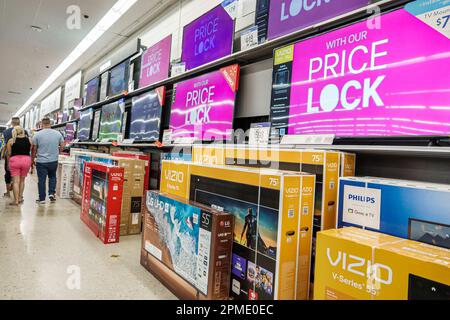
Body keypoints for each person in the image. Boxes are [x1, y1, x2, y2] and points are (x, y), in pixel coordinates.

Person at [32, 118, 64, 204]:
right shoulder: (58, 134)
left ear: (42, 124)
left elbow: (34, 149)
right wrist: (58, 153)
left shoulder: (37, 135)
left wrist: (32, 159)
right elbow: (62, 145)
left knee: (41, 180)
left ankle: (42, 198)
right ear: (50, 124)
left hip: (41, 161)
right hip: (53, 160)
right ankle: (51, 193)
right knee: (52, 177)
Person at [6, 126, 32, 206]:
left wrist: (8, 164)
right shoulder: (29, 140)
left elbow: (9, 153)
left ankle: (16, 200)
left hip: (15, 161)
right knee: (22, 181)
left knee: (15, 181)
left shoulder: (11, 141)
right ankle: (20, 198)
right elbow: (29, 150)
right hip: (26, 160)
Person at [1, 117, 21, 198]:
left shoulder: (6, 132)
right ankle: (18, 193)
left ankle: (8, 193)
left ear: (12, 123)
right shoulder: (23, 131)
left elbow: (6, 145)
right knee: (18, 174)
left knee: (8, 173)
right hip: (20, 155)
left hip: (9, 155)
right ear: (19, 123)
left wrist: (3, 153)